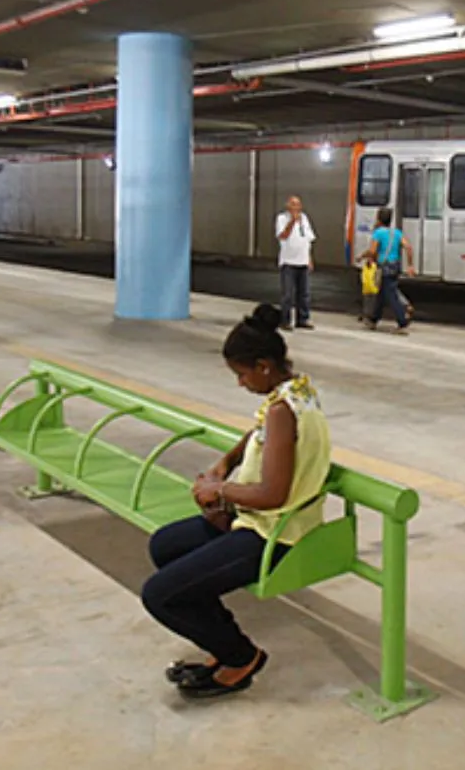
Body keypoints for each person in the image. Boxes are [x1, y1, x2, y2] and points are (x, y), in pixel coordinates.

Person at [144, 304, 332, 700]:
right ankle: (222, 640)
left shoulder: (282, 411)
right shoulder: (297, 391)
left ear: (264, 366)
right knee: (165, 546)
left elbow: (273, 495)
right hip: (259, 520)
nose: (240, 383)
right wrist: (226, 463)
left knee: (159, 595)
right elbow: (259, 433)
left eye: (242, 374)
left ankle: (240, 658)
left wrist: (219, 491)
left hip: (274, 534)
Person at [359, 206, 413, 335]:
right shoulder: (396, 233)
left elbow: (372, 251)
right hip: (395, 266)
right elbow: (408, 247)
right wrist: (410, 265)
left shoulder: (378, 233)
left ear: (378, 219)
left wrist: (362, 256)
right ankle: (373, 319)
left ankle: (402, 320)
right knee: (381, 294)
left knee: (390, 295)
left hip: (384, 267)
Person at [275, 195, 315, 332]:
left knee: (304, 293)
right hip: (288, 261)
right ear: (287, 206)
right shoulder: (281, 218)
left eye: (298, 204)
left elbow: (308, 240)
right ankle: (285, 320)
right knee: (287, 294)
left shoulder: (304, 219)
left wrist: (309, 259)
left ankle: (302, 318)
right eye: (293, 204)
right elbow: (283, 235)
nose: (295, 207)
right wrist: (292, 221)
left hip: (303, 260)